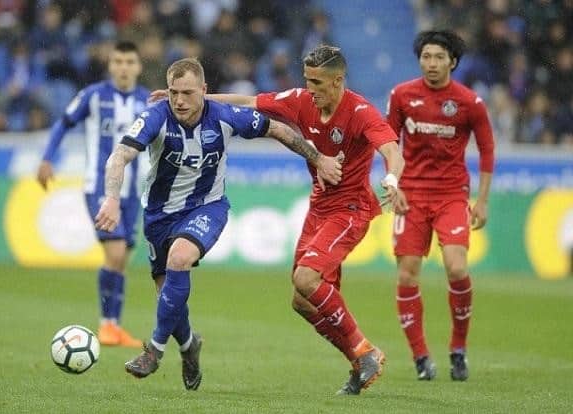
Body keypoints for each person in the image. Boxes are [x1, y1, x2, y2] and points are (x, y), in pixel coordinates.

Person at [169, 45, 406, 395]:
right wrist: (197, 99)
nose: (309, 88)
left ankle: (365, 350)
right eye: (307, 79)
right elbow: (248, 103)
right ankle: (360, 363)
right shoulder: (300, 100)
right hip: (319, 209)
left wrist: (392, 180)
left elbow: (391, 150)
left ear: (338, 80)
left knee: (306, 278)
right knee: (301, 300)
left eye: (317, 82)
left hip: (350, 210)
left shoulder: (360, 111)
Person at [94, 57, 342, 391]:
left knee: (179, 258)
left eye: (187, 93)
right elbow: (119, 156)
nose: (179, 100)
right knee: (169, 296)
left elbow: (278, 129)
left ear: (204, 91)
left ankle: (153, 350)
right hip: (158, 215)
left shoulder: (224, 116)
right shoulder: (155, 117)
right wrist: (110, 197)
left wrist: (319, 159)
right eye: (173, 92)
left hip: (207, 208)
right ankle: (188, 346)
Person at [385, 30, 495, 381]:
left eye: (438, 57)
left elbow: (488, 150)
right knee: (406, 273)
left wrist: (481, 200)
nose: (431, 63)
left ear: (453, 62)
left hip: (450, 195)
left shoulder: (469, 102)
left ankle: (458, 349)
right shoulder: (402, 95)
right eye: (426, 57)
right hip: (412, 196)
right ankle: (420, 358)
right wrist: (394, 183)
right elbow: (388, 141)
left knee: (457, 268)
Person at [37, 41, 149, 348]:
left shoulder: (147, 101)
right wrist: (47, 158)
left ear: (138, 66)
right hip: (100, 188)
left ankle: (114, 326)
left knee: (123, 258)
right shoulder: (94, 96)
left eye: (129, 61)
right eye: (118, 61)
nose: (124, 67)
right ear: (110, 65)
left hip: (133, 191)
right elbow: (64, 123)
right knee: (113, 254)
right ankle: (106, 324)